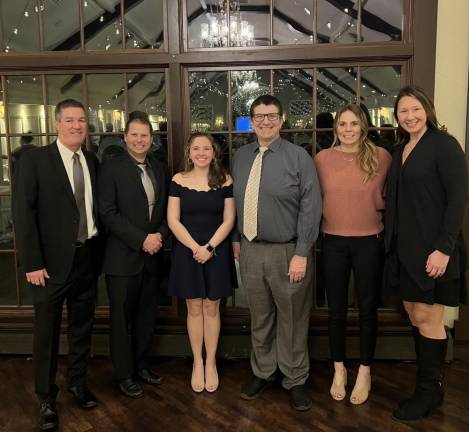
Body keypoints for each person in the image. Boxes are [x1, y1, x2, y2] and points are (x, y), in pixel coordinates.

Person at [12, 99, 101, 430]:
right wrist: (32, 262)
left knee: (82, 328)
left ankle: (78, 384)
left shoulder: (91, 160)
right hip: (47, 266)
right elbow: (23, 213)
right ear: (56, 124)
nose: (77, 126)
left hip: (86, 258)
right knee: (46, 332)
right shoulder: (35, 161)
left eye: (81, 120)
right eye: (69, 120)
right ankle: (46, 397)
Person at [232, 95, 322, 411]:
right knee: (260, 316)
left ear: (281, 120)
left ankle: (295, 378)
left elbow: (312, 208)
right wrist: (235, 239)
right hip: (251, 251)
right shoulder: (241, 157)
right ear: (251, 121)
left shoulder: (299, 158)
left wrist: (302, 252)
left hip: (289, 252)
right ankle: (263, 371)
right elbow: (234, 202)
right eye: (259, 116)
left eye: (271, 116)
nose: (265, 121)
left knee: (294, 319)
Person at [384, 85, 468, 422]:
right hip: (405, 250)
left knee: (429, 318)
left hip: (434, 251)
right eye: (403, 111)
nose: (410, 116)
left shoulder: (444, 145)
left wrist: (443, 250)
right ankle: (430, 386)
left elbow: (457, 200)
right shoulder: (402, 147)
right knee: (415, 315)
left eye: (415, 109)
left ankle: (428, 392)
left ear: (427, 110)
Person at [314, 104, 391, 405]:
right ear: (335, 129)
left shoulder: (381, 157)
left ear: (364, 126)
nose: (348, 129)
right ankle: (338, 370)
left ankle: (364, 371)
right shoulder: (322, 159)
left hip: (369, 241)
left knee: (368, 308)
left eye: (354, 124)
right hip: (332, 240)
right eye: (343, 124)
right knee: (336, 310)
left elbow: (393, 197)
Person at [98, 111, 169, 399]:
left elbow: (166, 211)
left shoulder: (158, 168)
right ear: (126, 137)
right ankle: (123, 374)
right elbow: (107, 213)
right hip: (122, 259)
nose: (140, 140)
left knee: (146, 317)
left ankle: (141, 366)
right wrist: (141, 240)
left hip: (153, 257)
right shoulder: (111, 168)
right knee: (121, 321)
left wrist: (159, 236)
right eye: (135, 135)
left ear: (152, 139)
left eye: (145, 135)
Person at [167, 132, 235, 393]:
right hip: (188, 251)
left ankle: (211, 363)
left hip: (216, 250)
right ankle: (197, 361)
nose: (202, 153)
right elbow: (173, 220)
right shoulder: (178, 180)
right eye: (197, 148)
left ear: (214, 152)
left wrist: (209, 247)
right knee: (194, 307)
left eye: (207, 148)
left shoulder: (225, 180)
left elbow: (229, 220)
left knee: (212, 307)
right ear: (189, 152)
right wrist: (196, 247)